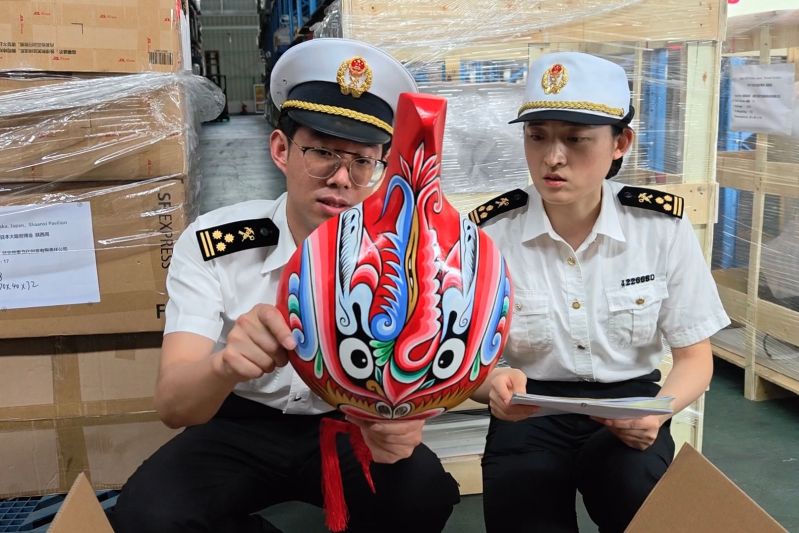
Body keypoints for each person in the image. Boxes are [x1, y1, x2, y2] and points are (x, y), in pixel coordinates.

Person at [109, 38, 460, 533]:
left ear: (382, 170)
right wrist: (226, 364)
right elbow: (174, 404)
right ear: (281, 149)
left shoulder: (407, 260)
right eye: (322, 152)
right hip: (240, 423)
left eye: (362, 162)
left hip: (349, 422)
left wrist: (402, 420)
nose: (341, 178)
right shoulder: (216, 244)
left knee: (424, 495)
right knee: (148, 517)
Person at [469, 51, 731, 533]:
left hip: (630, 403)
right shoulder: (489, 235)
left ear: (619, 143)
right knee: (520, 498)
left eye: (576, 139)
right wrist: (490, 387)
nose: (553, 157)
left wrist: (658, 412)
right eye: (537, 136)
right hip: (530, 405)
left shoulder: (659, 229)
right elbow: (465, 362)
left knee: (638, 490)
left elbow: (695, 358)